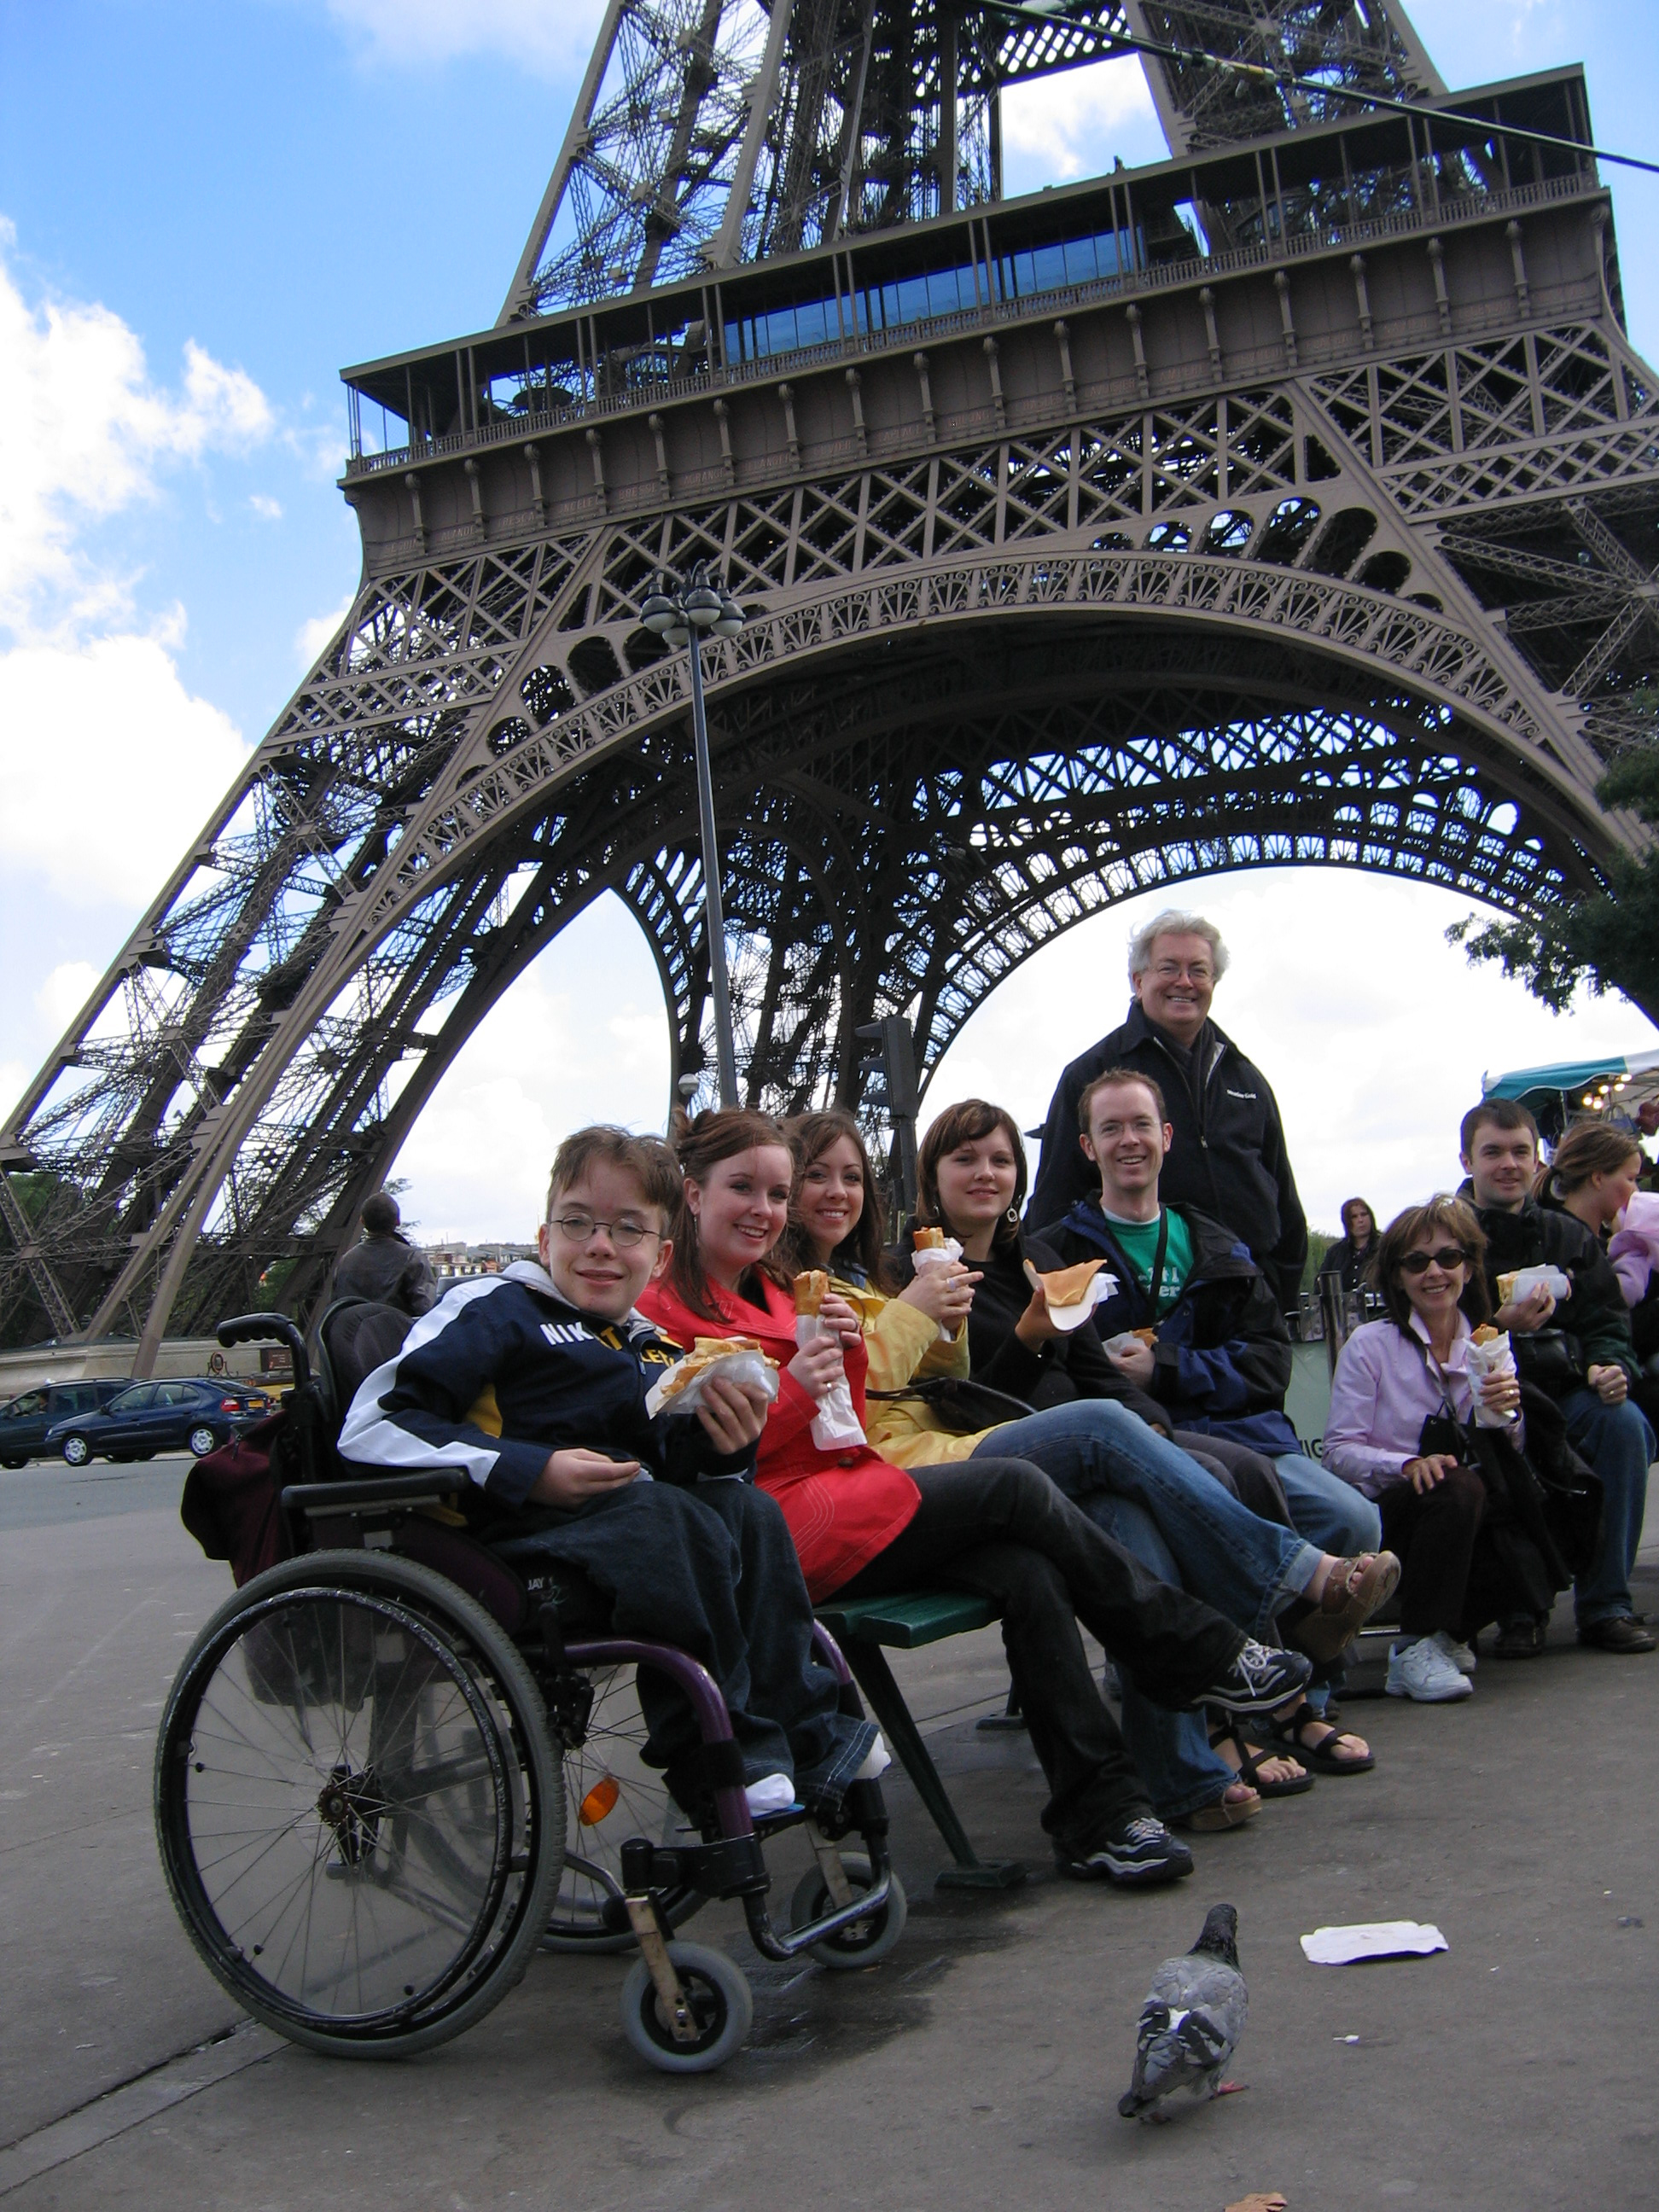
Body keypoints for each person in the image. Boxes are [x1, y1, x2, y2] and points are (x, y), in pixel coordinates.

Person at [639, 1109, 1313, 1889]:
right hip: (783, 1530)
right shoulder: (665, 1313)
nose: (765, 1209)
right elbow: (720, 1460)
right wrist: (812, 1379)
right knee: (1018, 1483)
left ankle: (1106, 1815)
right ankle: (1200, 1650)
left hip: (851, 1495)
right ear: (692, 1196)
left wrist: (857, 1356)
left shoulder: (782, 1292)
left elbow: (849, 1418)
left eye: (775, 1193)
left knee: (1027, 1568)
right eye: (744, 1190)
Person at [782, 1109, 1395, 1823]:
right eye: (965, 1159)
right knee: (1131, 1447)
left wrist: (1151, 1422)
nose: (985, 1174)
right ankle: (1292, 1609)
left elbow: (1058, 1370)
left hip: (1005, 1449)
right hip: (965, 1459)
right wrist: (1004, 1330)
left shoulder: (1015, 1258)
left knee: (1161, 1495)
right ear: (930, 1177)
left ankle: (1187, 1766)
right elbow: (936, 1398)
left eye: (1001, 1160)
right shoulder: (887, 1275)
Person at [337, 1126, 882, 1822]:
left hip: (624, 1531)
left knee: (751, 1513)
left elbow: (676, 1466)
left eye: (628, 1230)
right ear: (543, 1239)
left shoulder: (650, 1347)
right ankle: (722, 1759)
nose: (600, 1244)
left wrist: (727, 1445)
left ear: (657, 1259)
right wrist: (529, 1469)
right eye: (578, 1223)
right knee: (672, 1521)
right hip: (502, 1534)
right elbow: (374, 1426)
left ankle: (812, 1741)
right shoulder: (492, 1313)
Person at [1027, 911, 1307, 1308]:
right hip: (1138, 1309)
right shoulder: (1089, 1076)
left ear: (1214, 982)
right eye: (1169, 968)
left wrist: (1276, 1297)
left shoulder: (1247, 1078)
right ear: (1138, 982)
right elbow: (1055, 1203)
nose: (1185, 982)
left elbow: (1284, 1199)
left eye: (1199, 971)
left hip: (1244, 1304)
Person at [1458, 1098, 1655, 1656]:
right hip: (1484, 1400)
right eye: (1492, 1152)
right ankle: (1522, 1611)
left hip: (1567, 1392)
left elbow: (1608, 1322)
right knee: (1501, 1439)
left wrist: (1612, 1366)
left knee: (1624, 1425)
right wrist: (1498, 1327)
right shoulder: (1444, 1236)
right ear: (1467, 1159)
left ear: (1537, 1159)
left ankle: (1606, 1605)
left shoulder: (1569, 1236)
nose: (1509, 1165)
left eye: (1520, 1152)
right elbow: (1425, 1333)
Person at [1324, 1197, 1534, 1702]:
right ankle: (1414, 1647)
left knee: (1534, 1519)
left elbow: (1510, 1451)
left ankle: (1449, 1634)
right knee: (1454, 1484)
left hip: (1466, 1508)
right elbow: (1337, 1451)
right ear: (1397, 1277)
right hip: (1392, 1516)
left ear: (1469, 1267)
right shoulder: (1370, 1345)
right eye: (1417, 1262)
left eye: (1449, 1258)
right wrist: (1406, 1465)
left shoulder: (1486, 1345)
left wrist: (1508, 1416)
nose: (1434, 1272)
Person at [332, 1190, 438, 1317]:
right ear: (397, 1221)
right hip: (398, 1335)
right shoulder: (413, 1259)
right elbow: (427, 1311)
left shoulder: (345, 1261)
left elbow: (335, 1309)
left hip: (353, 1335)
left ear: (362, 1221)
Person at [1318, 1199, 1381, 1296]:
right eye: (1354, 1217)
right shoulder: (1335, 1253)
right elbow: (1320, 1286)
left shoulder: (1384, 1247)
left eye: (1364, 1214)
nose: (1360, 1220)